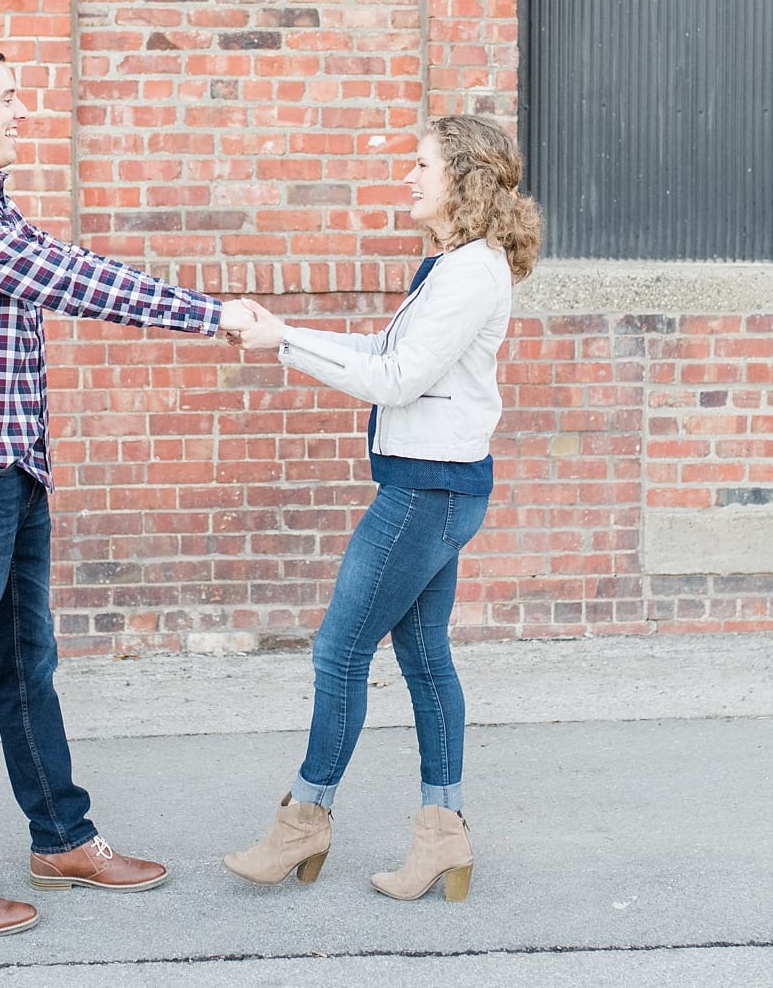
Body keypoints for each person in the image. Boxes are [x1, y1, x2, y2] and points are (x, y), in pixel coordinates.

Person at [0, 45, 254, 937]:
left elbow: (56, 266)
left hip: (8, 472)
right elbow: (74, 279)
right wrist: (215, 315)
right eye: (7, 98)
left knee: (25, 670)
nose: (23, 112)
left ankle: (60, 836)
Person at [222, 114, 542, 902]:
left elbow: (394, 378)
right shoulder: (454, 265)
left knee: (339, 653)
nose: (408, 175)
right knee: (424, 654)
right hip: (438, 484)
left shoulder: (470, 272)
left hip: (426, 491)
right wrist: (285, 338)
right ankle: (443, 833)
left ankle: (305, 818)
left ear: (461, 178)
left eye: (422, 164)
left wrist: (282, 338)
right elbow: (381, 351)